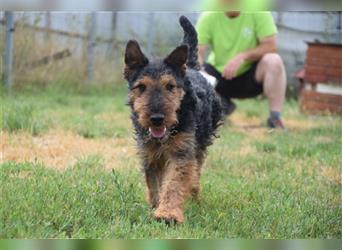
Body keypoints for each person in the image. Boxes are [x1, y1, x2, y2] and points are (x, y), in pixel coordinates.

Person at [196, 11, 287, 129]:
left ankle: (275, 118)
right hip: (219, 77)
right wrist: (199, 70)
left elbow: (271, 46)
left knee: (274, 60)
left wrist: (242, 56)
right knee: (196, 72)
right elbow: (197, 51)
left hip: (251, 76)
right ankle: (220, 105)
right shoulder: (208, 15)